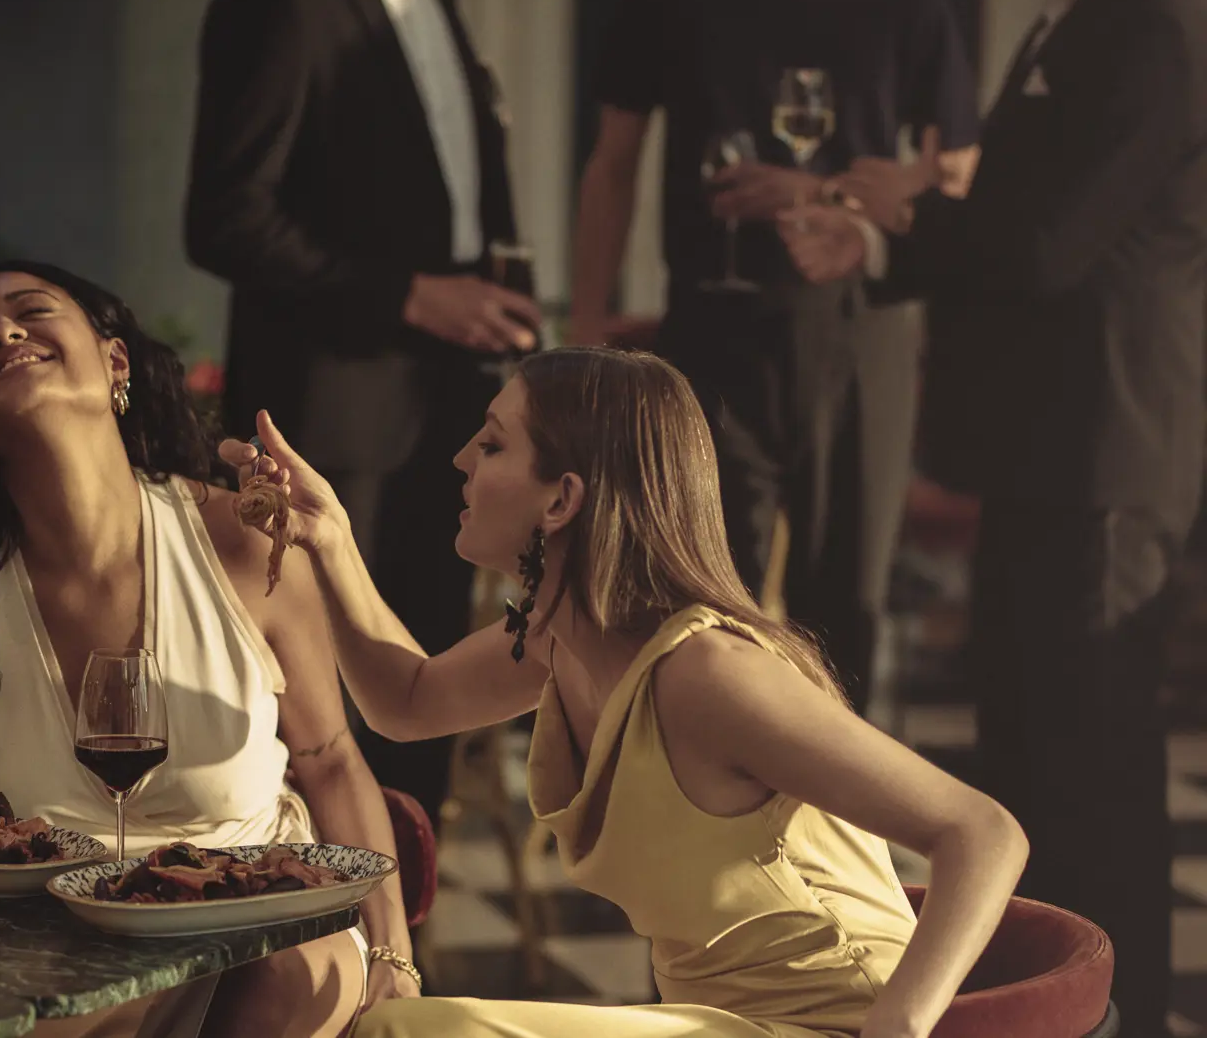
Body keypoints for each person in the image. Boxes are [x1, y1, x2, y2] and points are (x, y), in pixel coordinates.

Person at [226, 346, 1029, 1038]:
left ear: (562, 499)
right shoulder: (560, 640)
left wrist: (899, 1028)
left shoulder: (706, 672)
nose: (462, 458)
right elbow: (406, 701)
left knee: (407, 1030)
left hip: (833, 1021)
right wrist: (330, 541)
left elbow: (983, 833)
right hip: (716, 1022)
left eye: (494, 444)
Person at [0, 185, 414, 1038]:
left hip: (262, 924)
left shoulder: (243, 536)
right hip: (51, 960)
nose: (2, 333)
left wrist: (396, 958)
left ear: (115, 365)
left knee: (286, 972)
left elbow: (329, 759)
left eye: (32, 312)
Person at [779, 0, 1205, 1033]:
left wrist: (903, 211)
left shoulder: (1148, 26)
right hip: (1053, 462)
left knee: (1092, 781)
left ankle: (1121, 1018)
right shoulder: (1091, 9)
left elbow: (1047, 246)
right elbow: (1032, 230)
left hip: (1103, 466)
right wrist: (886, 240)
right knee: (1036, 767)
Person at [570, 0, 980, 715]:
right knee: (708, 603)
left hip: (861, 337)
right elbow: (613, 164)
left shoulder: (907, 3)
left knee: (849, 614)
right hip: (715, 331)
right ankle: (712, 798)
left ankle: (839, 803)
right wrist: (588, 337)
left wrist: (821, 194)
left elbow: (954, 183)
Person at [184, 0, 537, 828]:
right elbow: (225, 219)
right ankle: (325, 925)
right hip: (333, 422)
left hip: (446, 405)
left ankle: (404, 914)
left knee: (423, 700)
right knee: (323, 728)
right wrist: (411, 297)